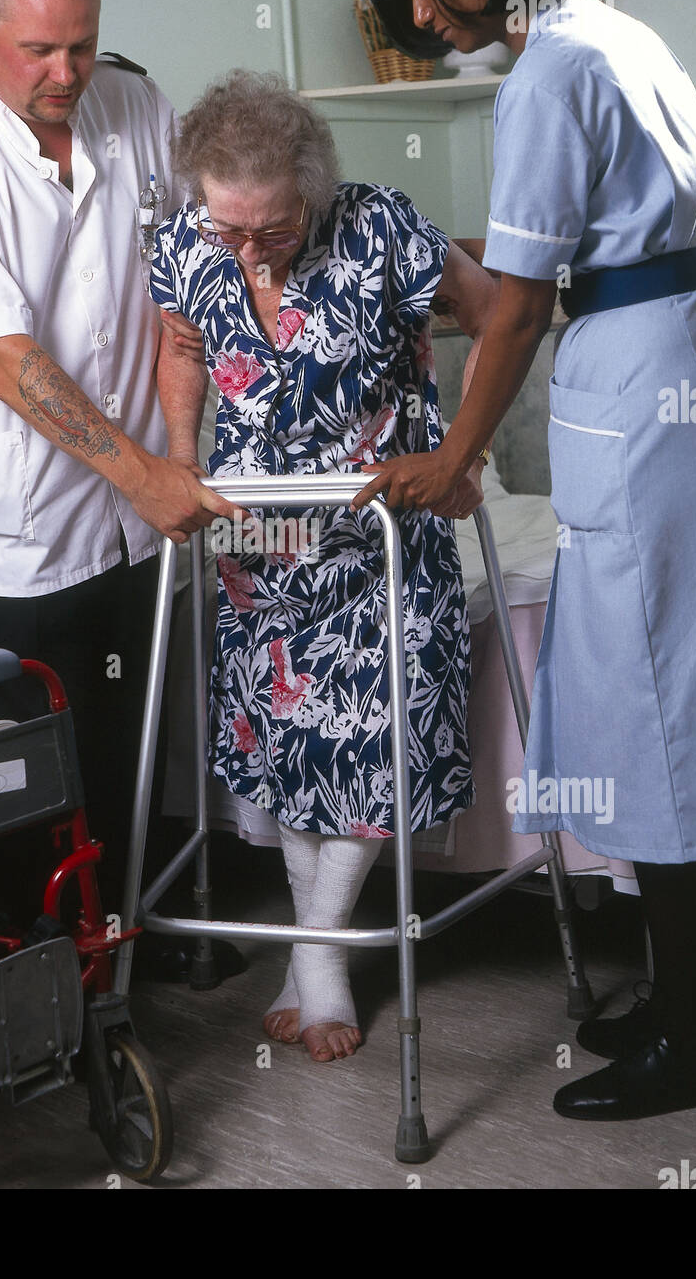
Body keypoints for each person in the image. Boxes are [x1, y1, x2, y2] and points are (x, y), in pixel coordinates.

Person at [351, 0, 696, 1118]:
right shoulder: (619, 30)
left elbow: (517, 302)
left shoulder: (546, 73)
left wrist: (452, 456)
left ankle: (694, 1038)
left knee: (652, 695)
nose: (414, 8)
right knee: (683, 679)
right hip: (693, 353)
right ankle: (677, 997)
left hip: (643, 379)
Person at [0, 0, 240, 926]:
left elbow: (178, 295)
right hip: (15, 535)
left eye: (81, 45)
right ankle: (50, 994)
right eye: (39, 50)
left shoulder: (131, 101)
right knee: (32, 779)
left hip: (130, 513)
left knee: (129, 750)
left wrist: (180, 453)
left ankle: (127, 944)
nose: (65, 72)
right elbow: (4, 355)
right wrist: (149, 475)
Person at [148, 71, 498, 1061]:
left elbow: (494, 318)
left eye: (273, 228)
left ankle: (314, 957)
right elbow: (178, 347)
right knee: (294, 756)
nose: (249, 251)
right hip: (259, 547)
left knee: (372, 756)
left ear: (312, 191)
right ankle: (320, 964)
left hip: (381, 542)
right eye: (231, 231)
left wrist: (457, 454)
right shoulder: (185, 242)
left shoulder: (381, 226)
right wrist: (178, 457)